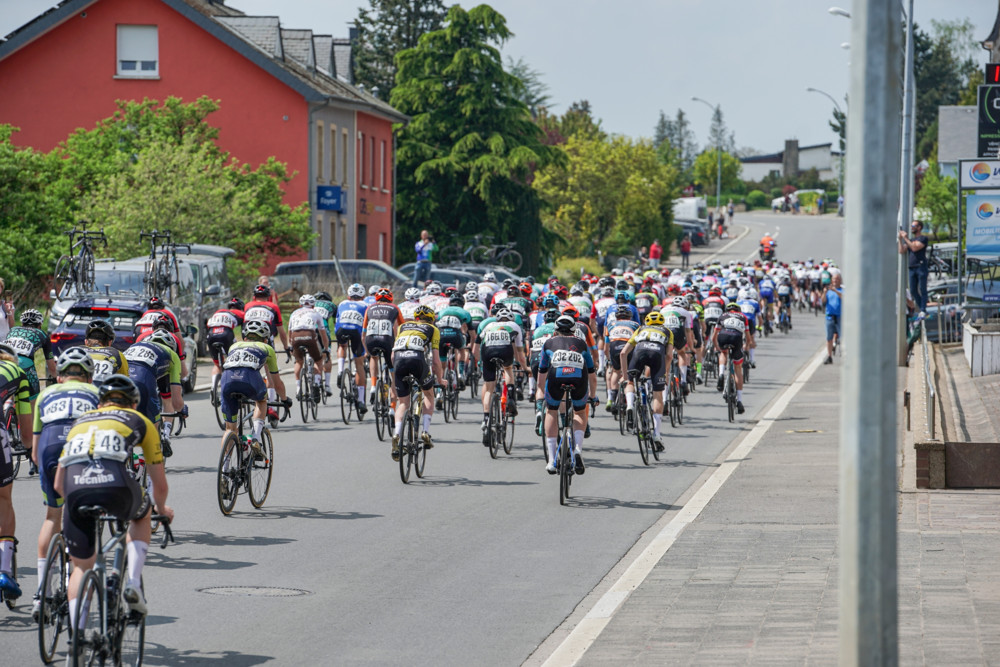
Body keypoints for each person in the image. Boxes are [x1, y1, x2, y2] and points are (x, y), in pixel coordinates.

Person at [54, 374, 173, 623]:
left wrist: (77, 505)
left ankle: (76, 644)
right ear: (133, 403)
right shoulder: (139, 420)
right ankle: (133, 584)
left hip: (75, 490)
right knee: (143, 513)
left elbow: (57, 484)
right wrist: (162, 509)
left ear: (100, 404)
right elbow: (158, 484)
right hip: (117, 486)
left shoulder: (80, 423)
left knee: (80, 568)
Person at [29, 347, 99, 619]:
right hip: (79, 450)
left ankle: (40, 594)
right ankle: (77, 575)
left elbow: (34, 452)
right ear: (89, 377)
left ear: (59, 377)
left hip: (48, 450)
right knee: (82, 515)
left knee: (52, 516)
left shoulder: (46, 395)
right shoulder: (96, 394)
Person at [219, 320, 290, 456]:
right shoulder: (267, 349)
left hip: (227, 380)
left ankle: (225, 469)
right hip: (249, 378)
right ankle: (255, 437)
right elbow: (277, 383)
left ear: (245, 338)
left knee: (229, 429)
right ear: (265, 339)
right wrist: (285, 399)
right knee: (262, 401)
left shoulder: (234, 346)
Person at [537, 314, 598, 474]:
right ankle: (577, 449)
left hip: (556, 376)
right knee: (579, 412)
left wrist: (541, 391)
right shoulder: (582, 344)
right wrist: (592, 396)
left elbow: (542, 372)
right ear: (574, 330)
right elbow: (592, 374)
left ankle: (551, 460)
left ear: (555, 330)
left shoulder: (549, 343)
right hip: (578, 378)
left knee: (551, 411)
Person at [0, 342, 32, 601]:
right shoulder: (16, 372)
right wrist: (31, 449)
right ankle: (4, 570)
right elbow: (27, 432)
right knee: (3, 499)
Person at [390, 305, 442, 459]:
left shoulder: (403, 326)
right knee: (429, 394)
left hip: (399, 361)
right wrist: (441, 379)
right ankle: (425, 432)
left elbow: (393, 356)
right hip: (417, 360)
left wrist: (396, 375)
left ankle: (396, 433)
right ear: (431, 319)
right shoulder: (433, 329)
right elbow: (436, 361)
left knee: (403, 403)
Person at [899, 220, 928, 314]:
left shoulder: (923, 238)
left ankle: (923, 309)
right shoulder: (910, 241)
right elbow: (901, 250)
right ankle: (921, 308)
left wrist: (906, 238)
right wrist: (900, 239)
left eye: (913, 225)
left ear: (919, 227)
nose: (911, 227)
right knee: (913, 290)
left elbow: (915, 248)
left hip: (920, 266)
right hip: (912, 267)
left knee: (922, 289)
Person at [823, 273, 843, 364]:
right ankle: (829, 356)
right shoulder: (828, 291)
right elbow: (823, 301)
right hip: (829, 317)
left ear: (840, 280)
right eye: (834, 279)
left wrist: (836, 291)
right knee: (829, 338)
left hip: (840, 317)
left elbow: (844, 297)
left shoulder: (842, 290)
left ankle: (844, 356)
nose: (835, 281)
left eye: (837, 279)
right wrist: (824, 293)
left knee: (843, 338)